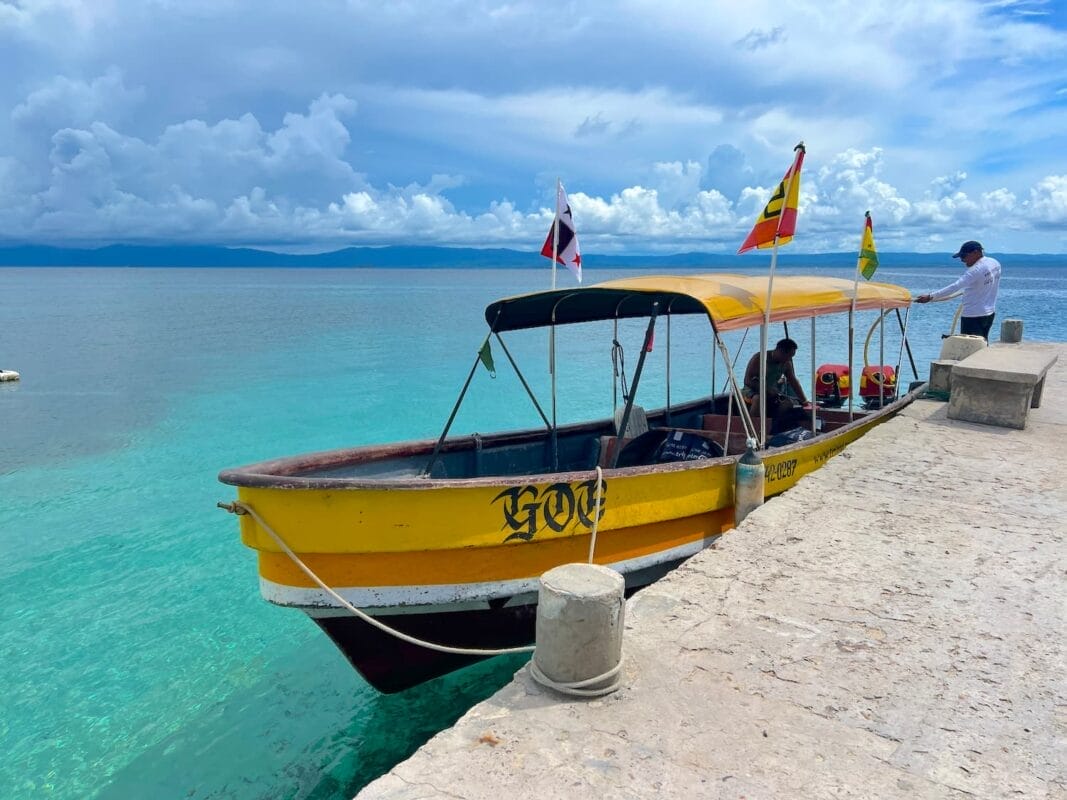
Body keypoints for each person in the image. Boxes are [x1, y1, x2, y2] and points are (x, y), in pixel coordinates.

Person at [916, 241, 1002, 340]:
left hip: (972, 315)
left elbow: (955, 287)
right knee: (982, 342)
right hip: (989, 313)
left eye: (964, 256)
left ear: (976, 252)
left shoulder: (975, 270)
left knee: (969, 347)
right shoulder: (995, 263)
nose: (962, 260)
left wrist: (930, 296)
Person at [742, 337, 809, 418]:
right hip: (752, 390)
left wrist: (804, 401)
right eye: (788, 356)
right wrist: (765, 389)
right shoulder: (759, 358)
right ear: (780, 351)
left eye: (791, 357)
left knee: (788, 403)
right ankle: (753, 425)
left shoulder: (786, 364)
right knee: (758, 399)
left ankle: (775, 424)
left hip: (772, 391)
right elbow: (747, 380)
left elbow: (793, 382)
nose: (789, 359)